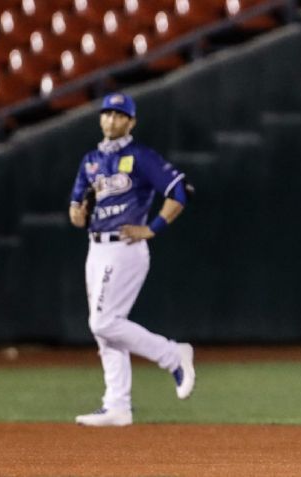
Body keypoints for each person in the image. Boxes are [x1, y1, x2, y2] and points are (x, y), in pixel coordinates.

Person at [69, 92, 196, 427]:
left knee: (103, 322)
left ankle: (173, 355)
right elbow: (76, 213)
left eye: (119, 115)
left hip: (124, 246)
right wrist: (78, 213)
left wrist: (152, 228)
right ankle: (117, 405)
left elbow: (179, 192)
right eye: (107, 114)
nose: (112, 120)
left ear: (131, 121)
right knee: (105, 331)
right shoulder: (90, 160)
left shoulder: (140, 156)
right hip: (95, 246)